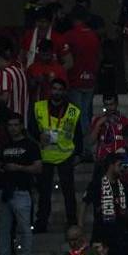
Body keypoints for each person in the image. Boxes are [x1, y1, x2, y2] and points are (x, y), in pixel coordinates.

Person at [30, 78, 81, 232]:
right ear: (50, 90)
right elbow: (31, 128)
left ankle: (72, 221)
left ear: (64, 92)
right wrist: (39, 135)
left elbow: (78, 133)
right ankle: (41, 223)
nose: (57, 92)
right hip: (44, 155)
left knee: (69, 192)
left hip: (65, 155)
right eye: (54, 88)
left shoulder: (73, 110)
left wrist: (78, 153)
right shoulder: (38, 107)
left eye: (60, 89)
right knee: (44, 193)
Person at [0, 114, 41, 255]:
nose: (13, 128)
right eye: (10, 125)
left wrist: (18, 168)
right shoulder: (4, 145)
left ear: (21, 126)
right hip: (5, 190)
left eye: (16, 125)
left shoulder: (30, 145)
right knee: (4, 228)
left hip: (22, 190)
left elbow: (38, 168)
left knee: (24, 228)